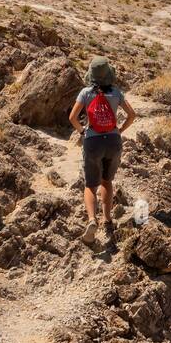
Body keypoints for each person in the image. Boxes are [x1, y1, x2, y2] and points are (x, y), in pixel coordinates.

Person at [68, 57, 135, 246]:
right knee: (107, 181)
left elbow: (73, 117)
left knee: (90, 185)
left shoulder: (85, 93)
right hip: (113, 140)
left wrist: (83, 132)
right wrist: (120, 130)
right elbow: (132, 115)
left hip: (93, 141)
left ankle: (91, 220)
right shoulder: (116, 93)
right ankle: (107, 219)